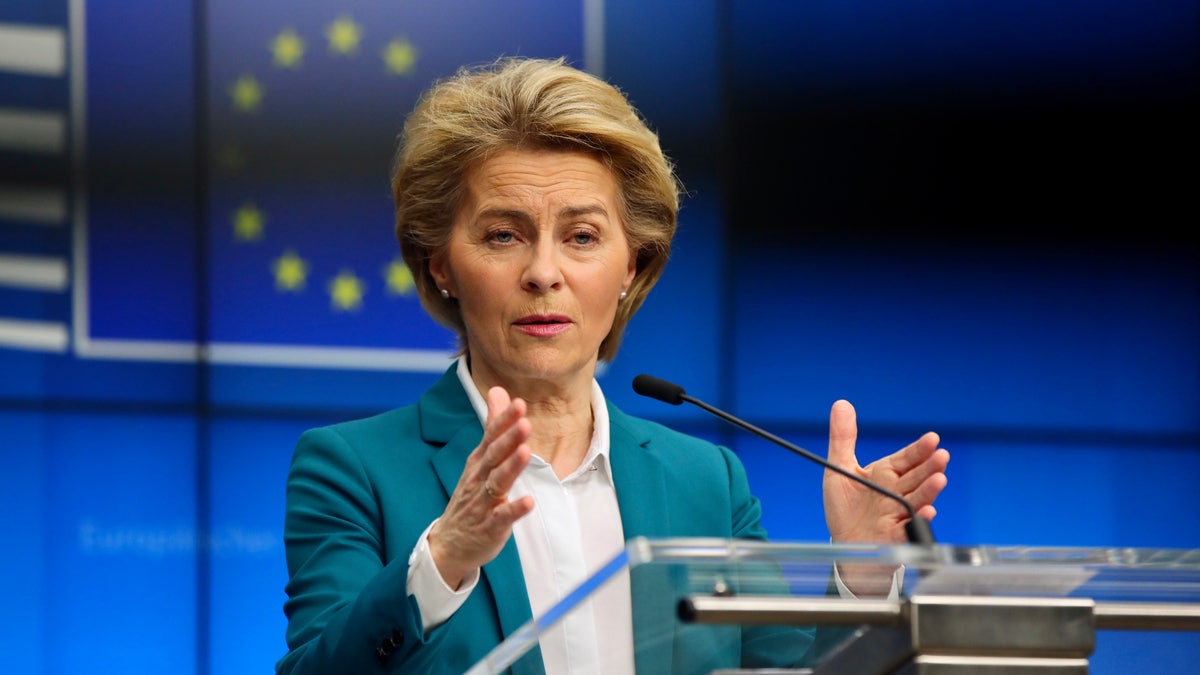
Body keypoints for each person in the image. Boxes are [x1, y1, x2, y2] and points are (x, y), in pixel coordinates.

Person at [276, 57, 950, 675]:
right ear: (442, 265)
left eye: (582, 237)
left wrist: (861, 570)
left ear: (631, 265)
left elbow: (793, 670)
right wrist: (442, 559)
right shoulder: (352, 468)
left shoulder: (706, 481)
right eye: (503, 234)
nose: (544, 272)